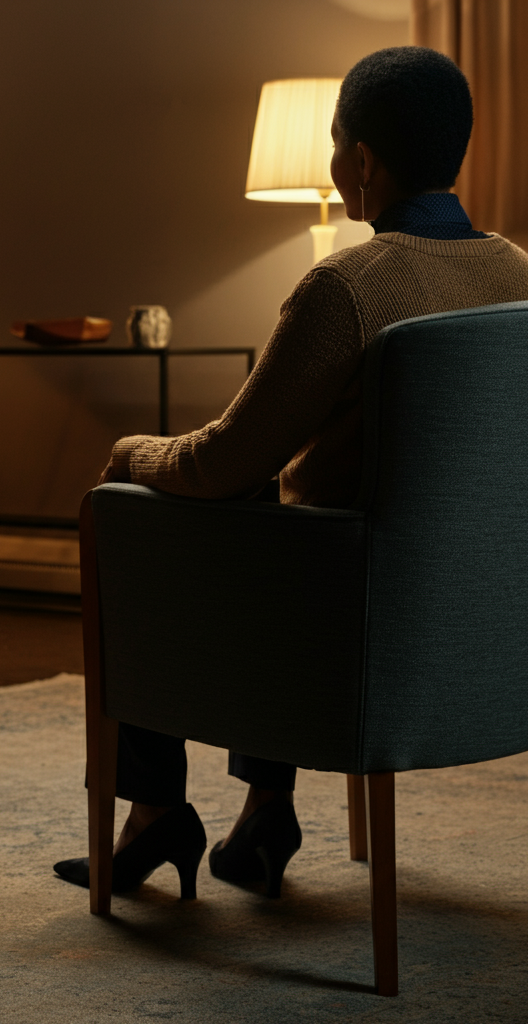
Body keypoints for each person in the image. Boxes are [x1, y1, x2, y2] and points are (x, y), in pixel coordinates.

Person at [54, 46, 528, 899]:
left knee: (128, 512)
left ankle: (155, 812)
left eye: (335, 141)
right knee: (288, 510)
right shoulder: (517, 274)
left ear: (360, 161)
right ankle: (264, 809)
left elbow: (221, 461)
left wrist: (133, 452)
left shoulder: (347, 287)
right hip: (476, 628)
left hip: (341, 629)